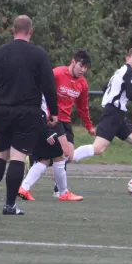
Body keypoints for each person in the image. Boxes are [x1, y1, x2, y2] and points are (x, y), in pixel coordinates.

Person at [0, 15, 58, 215]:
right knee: (18, 157)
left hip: (2, 110)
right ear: (31, 32)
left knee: (0, 154)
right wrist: (53, 111)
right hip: (27, 112)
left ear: (13, 31)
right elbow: (48, 85)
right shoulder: (39, 54)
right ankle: (9, 205)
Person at [71, 47, 132, 191]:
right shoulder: (129, 72)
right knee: (98, 148)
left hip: (118, 115)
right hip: (113, 114)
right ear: (128, 58)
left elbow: (105, 87)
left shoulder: (120, 71)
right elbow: (131, 94)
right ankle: (65, 157)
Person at [25, 50, 95, 199]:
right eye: (81, 66)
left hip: (66, 121)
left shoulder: (83, 83)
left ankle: (34, 160)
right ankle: (60, 191)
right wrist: (44, 114)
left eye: (86, 68)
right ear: (73, 62)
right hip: (53, 119)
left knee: (68, 156)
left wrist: (88, 125)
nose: (83, 70)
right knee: (60, 154)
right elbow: (41, 90)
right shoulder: (57, 73)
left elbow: (83, 106)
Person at [18, 95, 84, 202]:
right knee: (59, 156)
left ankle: (24, 188)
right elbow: (46, 96)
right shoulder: (43, 80)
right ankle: (63, 193)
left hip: (26, 119)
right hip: (41, 121)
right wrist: (47, 130)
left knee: (45, 159)